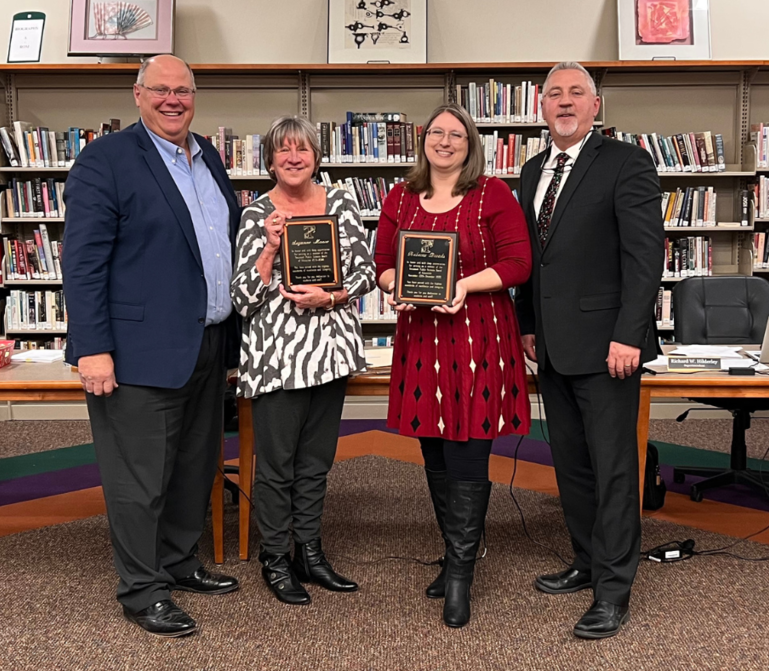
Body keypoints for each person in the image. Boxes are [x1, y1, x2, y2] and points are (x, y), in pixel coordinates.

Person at [63, 55, 242, 638]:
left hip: (208, 342)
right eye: (160, 90)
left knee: (195, 467)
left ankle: (179, 562)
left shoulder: (208, 156)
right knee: (138, 478)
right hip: (137, 351)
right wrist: (92, 348)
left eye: (183, 91)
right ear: (137, 94)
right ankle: (142, 589)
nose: (173, 100)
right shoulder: (106, 161)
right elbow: (83, 263)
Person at [515, 62, 664, 639]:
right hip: (552, 346)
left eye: (577, 93)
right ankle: (585, 559)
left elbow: (644, 257)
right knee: (573, 467)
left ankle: (613, 590)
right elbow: (531, 262)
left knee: (613, 470)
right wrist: (528, 323)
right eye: (554, 94)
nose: (565, 102)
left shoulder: (627, 163)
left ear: (596, 106)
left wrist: (629, 333)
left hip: (610, 348)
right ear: (540, 106)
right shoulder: (531, 172)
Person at [374, 103, 532, 628]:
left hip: (478, 334)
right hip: (421, 337)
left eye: (456, 135)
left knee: (467, 452)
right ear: (423, 140)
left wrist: (461, 285)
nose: (445, 142)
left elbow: (517, 262)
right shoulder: (400, 196)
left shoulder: (493, 193)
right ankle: (453, 555)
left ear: (471, 144)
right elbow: (384, 265)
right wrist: (398, 287)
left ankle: (461, 575)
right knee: (435, 453)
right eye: (437, 133)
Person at [230, 116, 375, 606]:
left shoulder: (342, 204)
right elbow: (243, 299)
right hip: (276, 357)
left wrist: (331, 296)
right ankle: (275, 557)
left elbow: (365, 273)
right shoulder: (255, 216)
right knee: (276, 465)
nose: (294, 157)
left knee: (316, 462)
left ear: (317, 156)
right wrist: (270, 249)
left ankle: (309, 552)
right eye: (283, 150)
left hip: (329, 353)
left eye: (303, 149)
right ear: (269, 159)